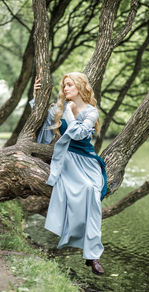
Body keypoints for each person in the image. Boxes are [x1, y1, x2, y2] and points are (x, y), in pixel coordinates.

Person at [31, 72, 107, 276]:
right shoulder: (59, 109)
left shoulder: (92, 112)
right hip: (67, 160)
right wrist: (36, 96)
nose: (65, 89)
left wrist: (70, 112)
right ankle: (89, 251)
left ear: (81, 87)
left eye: (70, 85)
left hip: (88, 162)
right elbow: (42, 122)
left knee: (92, 190)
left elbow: (79, 134)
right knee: (76, 192)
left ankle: (92, 254)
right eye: (64, 85)